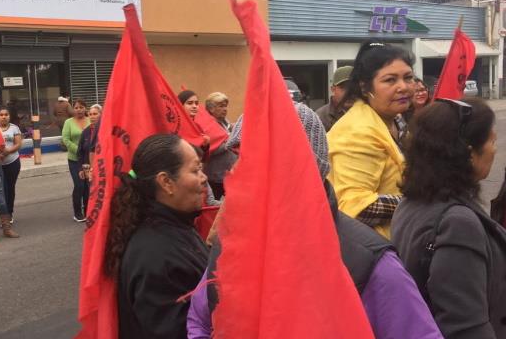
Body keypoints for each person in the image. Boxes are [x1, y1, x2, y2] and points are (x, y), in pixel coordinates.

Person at [187, 104, 443, 339]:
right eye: (242, 159)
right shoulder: (229, 246)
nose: (246, 173)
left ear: (310, 167)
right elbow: (199, 320)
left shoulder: (369, 263)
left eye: (266, 159)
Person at [393, 98, 506, 338]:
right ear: (469, 154)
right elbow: (466, 327)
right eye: (492, 141)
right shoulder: (458, 223)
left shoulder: (412, 202)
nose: (495, 149)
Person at [105, 134, 208, 339]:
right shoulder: (156, 257)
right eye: (196, 170)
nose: (204, 177)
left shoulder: (175, 225)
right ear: (166, 182)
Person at [327, 41, 414, 239]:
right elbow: (355, 206)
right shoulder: (358, 131)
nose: (403, 87)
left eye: (408, 77)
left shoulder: (395, 120)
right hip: (377, 257)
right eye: (390, 80)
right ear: (365, 87)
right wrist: (417, 201)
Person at [204, 92, 238, 199]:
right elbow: (210, 150)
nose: (225, 109)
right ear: (211, 109)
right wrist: (229, 142)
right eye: (221, 106)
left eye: (226, 106)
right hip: (216, 177)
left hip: (231, 174)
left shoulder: (226, 123)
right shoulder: (207, 126)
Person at [62, 98, 90, 222]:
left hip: (89, 160)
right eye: (76, 107)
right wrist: (79, 150)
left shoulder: (91, 120)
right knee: (79, 185)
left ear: (85, 108)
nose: (78, 110)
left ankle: (88, 210)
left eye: (81, 107)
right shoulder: (68, 122)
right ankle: (77, 213)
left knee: (88, 186)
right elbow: (66, 140)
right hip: (74, 160)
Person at [0, 107, 23, 224]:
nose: (4, 117)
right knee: (1, 190)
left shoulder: (14, 128)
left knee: (10, 188)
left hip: (13, 163)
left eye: (6, 114)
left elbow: (18, 144)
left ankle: (9, 213)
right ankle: (3, 214)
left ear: (9, 116)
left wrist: (7, 151)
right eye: (1, 114)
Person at [316, 65, 354, 131]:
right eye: (343, 88)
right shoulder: (320, 116)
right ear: (333, 89)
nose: (349, 93)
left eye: (352, 87)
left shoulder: (368, 112)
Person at [77, 104, 102, 202]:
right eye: (90, 114)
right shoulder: (85, 132)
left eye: (95, 114)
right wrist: (80, 169)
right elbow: (80, 152)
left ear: (101, 115)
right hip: (89, 169)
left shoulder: (106, 130)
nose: (92, 116)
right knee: (92, 193)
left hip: (103, 167)